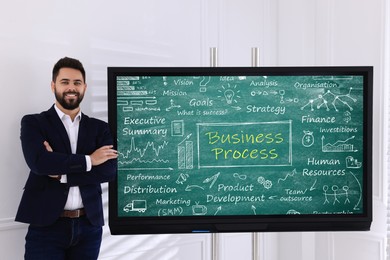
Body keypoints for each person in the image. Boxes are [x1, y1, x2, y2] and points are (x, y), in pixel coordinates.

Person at [15, 57, 118, 259]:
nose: (71, 87)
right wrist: (90, 160)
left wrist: (62, 174)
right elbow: (39, 163)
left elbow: (108, 171)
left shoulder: (100, 128)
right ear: (53, 85)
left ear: (85, 87)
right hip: (46, 228)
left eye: (77, 83)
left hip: (89, 227)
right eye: (65, 82)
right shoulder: (34, 123)